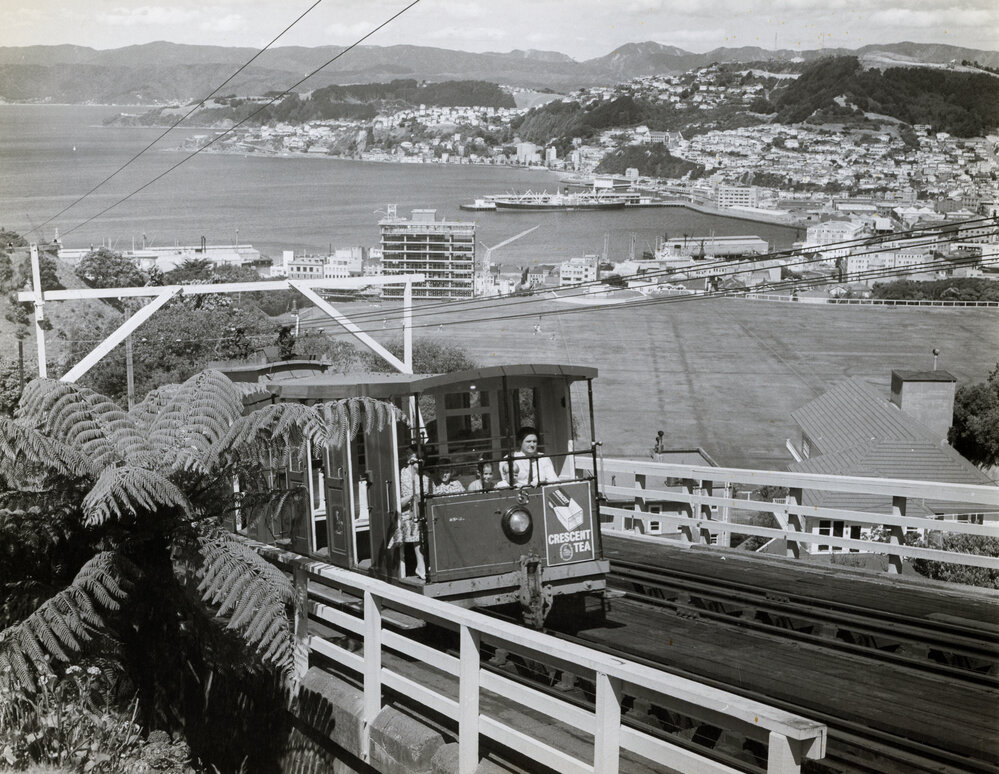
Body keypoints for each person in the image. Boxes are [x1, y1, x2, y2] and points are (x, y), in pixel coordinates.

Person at [396, 448, 430, 580]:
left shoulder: (426, 477)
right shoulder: (401, 476)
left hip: (422, 511)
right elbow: (397, 502)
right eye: (419, 460)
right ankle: (420, 566)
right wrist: (411, 496)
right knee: (415, 526)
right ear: (410, 461)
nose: (423, 462)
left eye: (423, 459)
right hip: (405, 514)